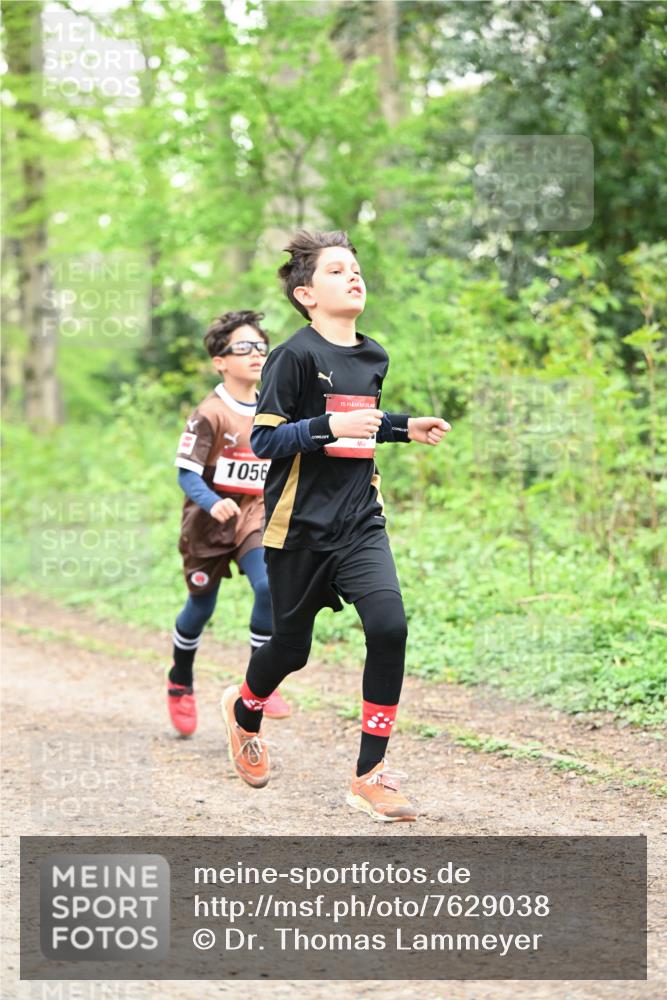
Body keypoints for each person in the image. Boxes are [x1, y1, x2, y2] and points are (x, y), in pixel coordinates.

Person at [220, 232, 450, 820]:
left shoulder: (374, 356)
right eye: (337, 271)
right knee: (291, 651)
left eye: (356, 269)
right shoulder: (292, 357)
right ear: (306, 293)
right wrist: (327, 429)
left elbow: (359, 423)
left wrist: (402, 427)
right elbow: (266, 439)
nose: (354, 277)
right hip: (298, 529)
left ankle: (370, 774)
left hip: (358, 523)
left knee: (390, 626)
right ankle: (245, 709)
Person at [168, 310, 291, 737]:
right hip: (208, 523)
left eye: (261, 346)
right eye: (244, 348)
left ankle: (258, 682)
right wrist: (211, 500)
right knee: (201, 606)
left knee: (268, 586)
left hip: (254, 515)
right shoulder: (210, 413)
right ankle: (180, 678)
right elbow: (186, 471)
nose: (256, 354)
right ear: (220, 360)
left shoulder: (272, 407)